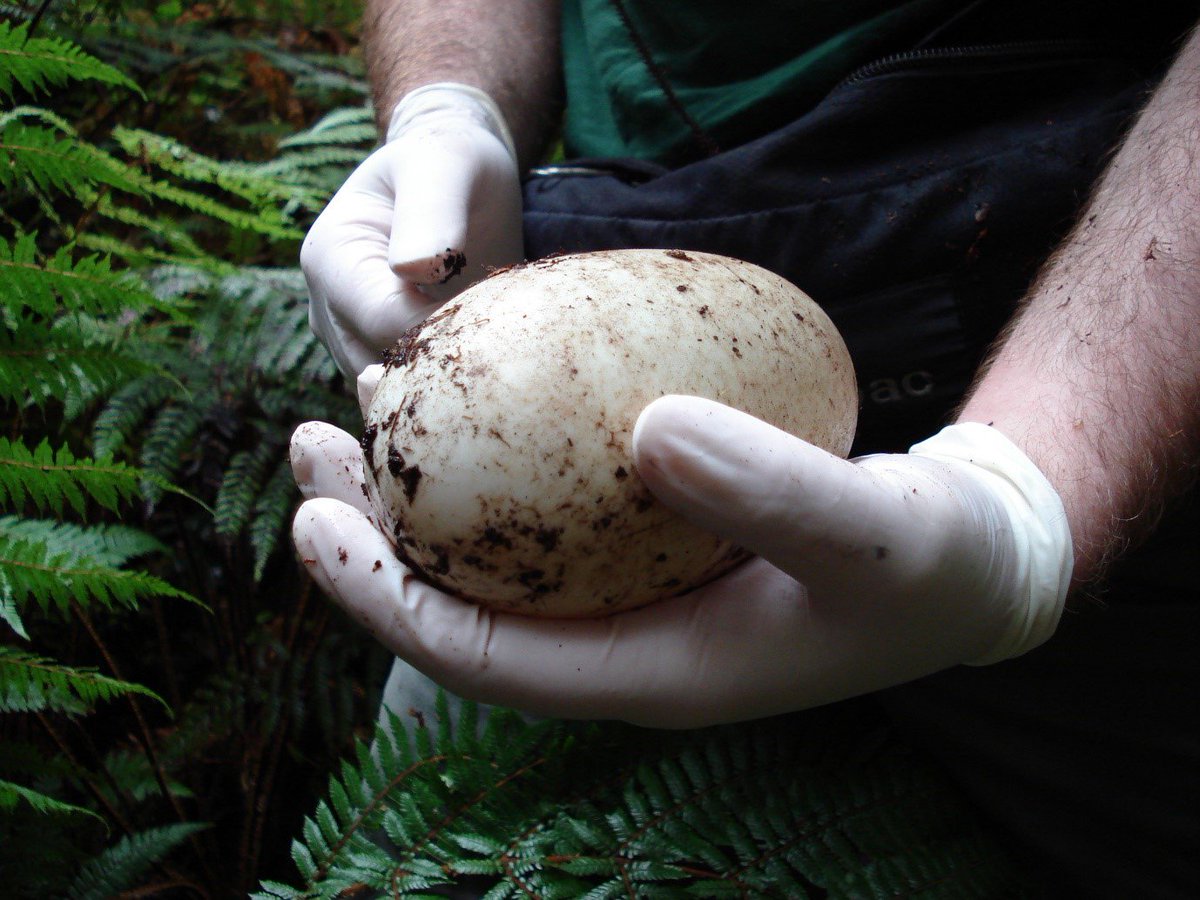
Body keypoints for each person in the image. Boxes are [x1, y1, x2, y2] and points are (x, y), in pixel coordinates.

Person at [289, 2, 1199, 895]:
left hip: (1100, 285)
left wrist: (1036, 495)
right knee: (465, 839)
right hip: (615, 288)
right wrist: (446, 103)